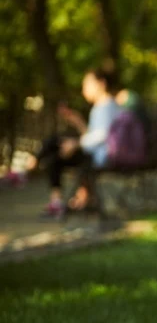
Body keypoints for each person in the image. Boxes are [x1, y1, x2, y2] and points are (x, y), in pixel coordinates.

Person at [38, 68, 122, 215]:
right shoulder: (100, 107)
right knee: (55, 153)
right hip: (93, 155)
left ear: (101, 84)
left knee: (55, 147)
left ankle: (28, 168)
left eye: (87, 84)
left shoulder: (108, 106)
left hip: (99, 158)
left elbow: (102, 136)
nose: (84, 89)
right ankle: (56, 200)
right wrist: (77, 122)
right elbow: (92, 134)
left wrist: (76, 144)